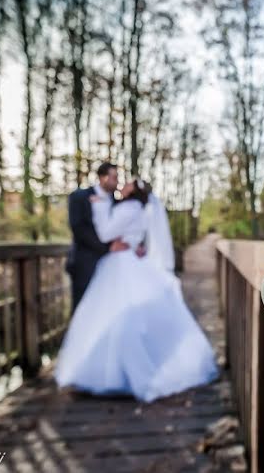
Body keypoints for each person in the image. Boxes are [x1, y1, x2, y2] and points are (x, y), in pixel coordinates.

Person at [55, 178, 219, 402]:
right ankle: (123, 369)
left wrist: (99, 207)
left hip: (120, 263)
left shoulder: (126, 207)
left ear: (134, 191)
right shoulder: (140, 210)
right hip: (129, 259)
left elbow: (105, 234)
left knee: (113, 316)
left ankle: (118, 373)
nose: (123, 184)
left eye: (128, 184)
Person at [65, 162, 144, 311]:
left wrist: (136, 244)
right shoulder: (79, 197)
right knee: (82, 308)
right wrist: (108, 247)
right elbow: (78, 228)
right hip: (84, 264)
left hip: (111, 266)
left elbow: (127, 226)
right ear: (103, 178)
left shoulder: (118, 201)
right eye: (114, 177)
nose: (118, 181)